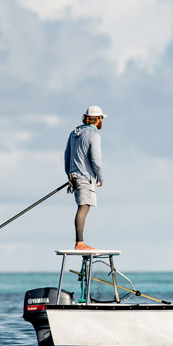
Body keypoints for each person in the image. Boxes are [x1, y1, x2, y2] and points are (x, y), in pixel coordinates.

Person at [64, 105, 106, 251]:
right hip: (84, 176)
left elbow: (67, 156)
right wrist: (100, 177)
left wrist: (69, 174)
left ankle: (80, 242)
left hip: (74, 176)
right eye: (101, 119)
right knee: (84, 206)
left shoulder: (74, 133)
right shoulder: (93, 135)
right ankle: (79, 242)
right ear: (98, 119)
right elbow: (96, 159)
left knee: (83, 206)